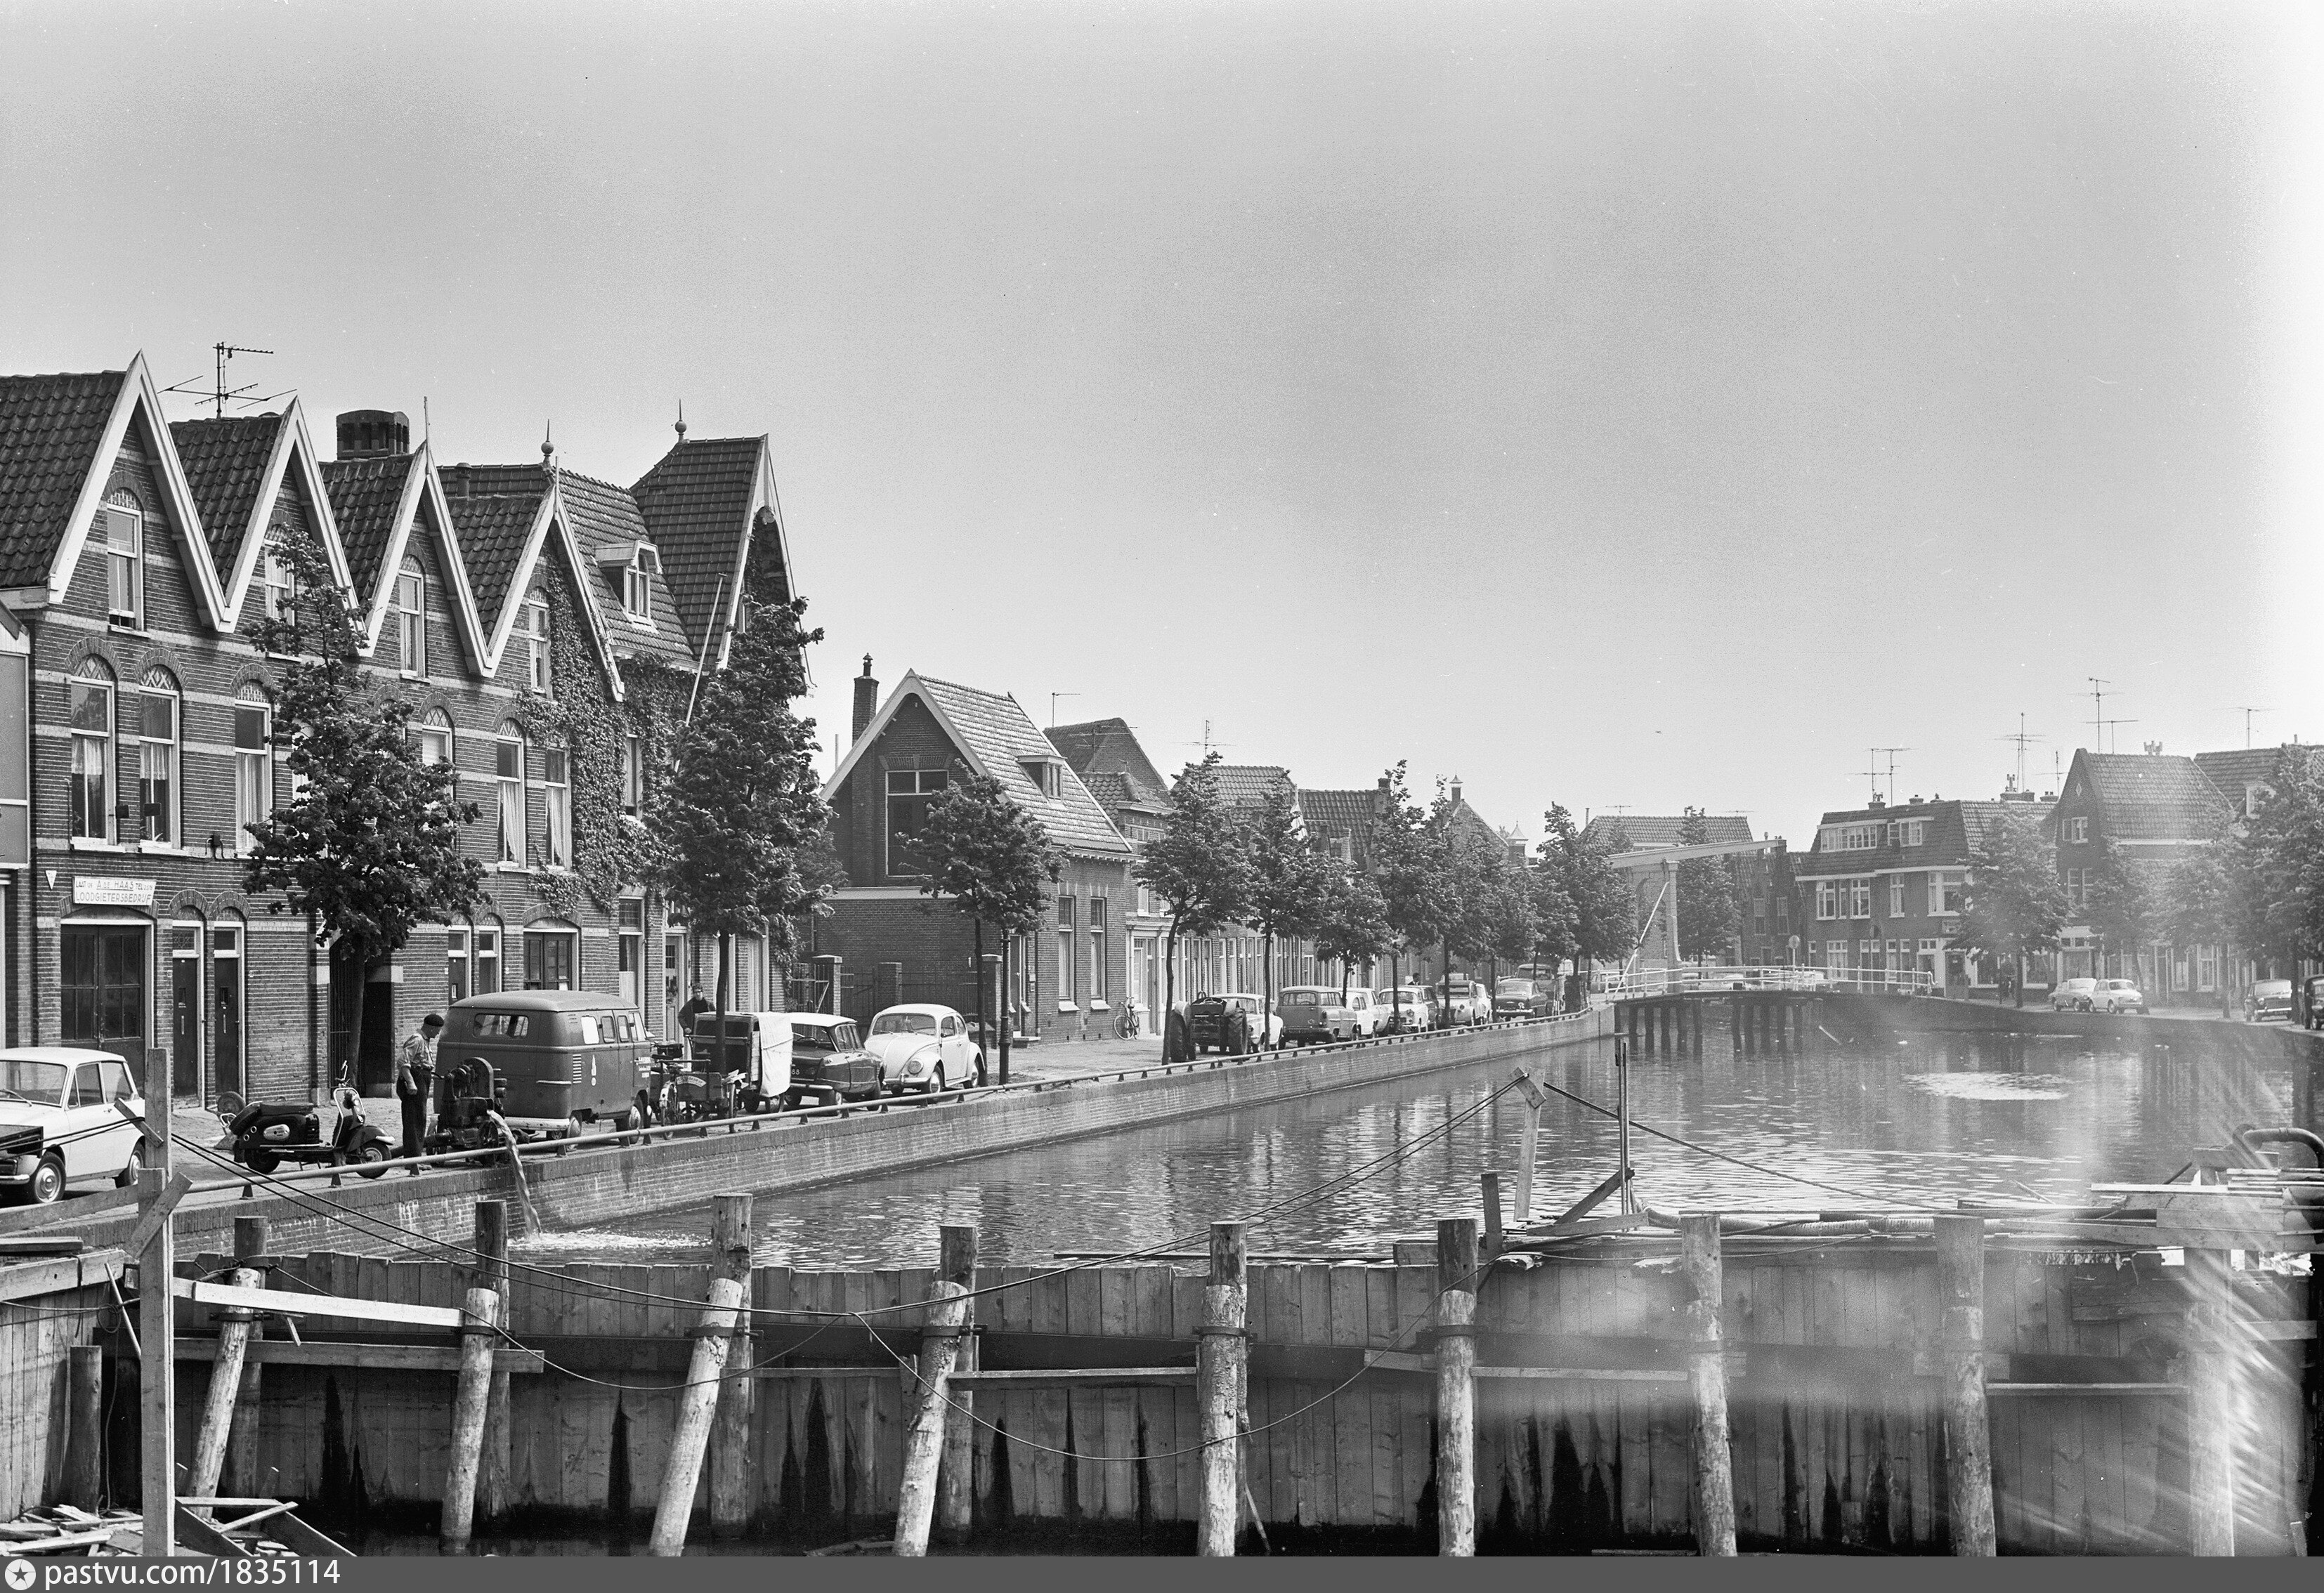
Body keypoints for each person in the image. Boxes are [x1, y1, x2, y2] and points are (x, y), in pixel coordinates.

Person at [394, 1013, 444, 1162]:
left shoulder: (424, 1040)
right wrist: (411, 1082)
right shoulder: (417, 1039)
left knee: (420, 1120)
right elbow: (402, 1061)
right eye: (437, 1030)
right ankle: (412, 1161)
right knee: (414, 1122)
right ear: (431, 1028)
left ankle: (416, 1159)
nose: (438, 1034)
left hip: (422, 1080)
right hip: (416, 1082)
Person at [676, 985, 713, 1058]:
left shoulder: (709, 1004)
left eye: (699, 992)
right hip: (695, 1032)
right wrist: (686, 1027)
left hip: (707, 1032)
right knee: (696, 1051)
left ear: (702, 992)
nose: (698, 994)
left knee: (709, 1051)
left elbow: (715, 1016)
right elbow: (680, 1016)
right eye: (696, 992)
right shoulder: (689, 1005)